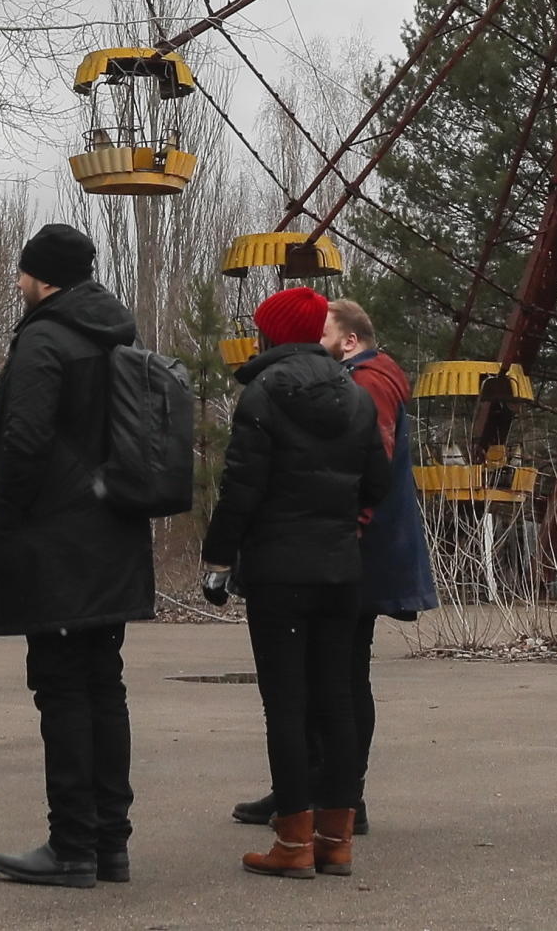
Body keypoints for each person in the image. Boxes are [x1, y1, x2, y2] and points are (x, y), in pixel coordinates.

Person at [0, 223, 154, 890]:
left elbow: (24, 442)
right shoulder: (118, 335)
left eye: (22, 273)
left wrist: (10, 519)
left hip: (57, 538)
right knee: (104, 684)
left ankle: (71, 844)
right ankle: (110, 844)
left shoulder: (45, 338)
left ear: (42, 277)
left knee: (61, 689)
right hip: (114, 534)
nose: (18, 283)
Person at [201, 284, 388, 880]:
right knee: (335, 696)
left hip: (280, 569)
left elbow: (241, 487)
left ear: (273, 334)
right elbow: (378, 484)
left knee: (285, 702)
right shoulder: (357, 396)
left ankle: (292, 842)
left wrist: (219, 560)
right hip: (339, 568)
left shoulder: (264, 391)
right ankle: (337, 839)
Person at [233, 295, 435, 839]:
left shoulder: (365, 384)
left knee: (339, 678)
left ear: (348, 341)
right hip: (348, 547)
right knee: (333, 677)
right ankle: (312, 790)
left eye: (319, 333)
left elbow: (370, 466)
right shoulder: (365, 378)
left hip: (350, 550)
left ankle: (340, 797)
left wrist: (345, 530)